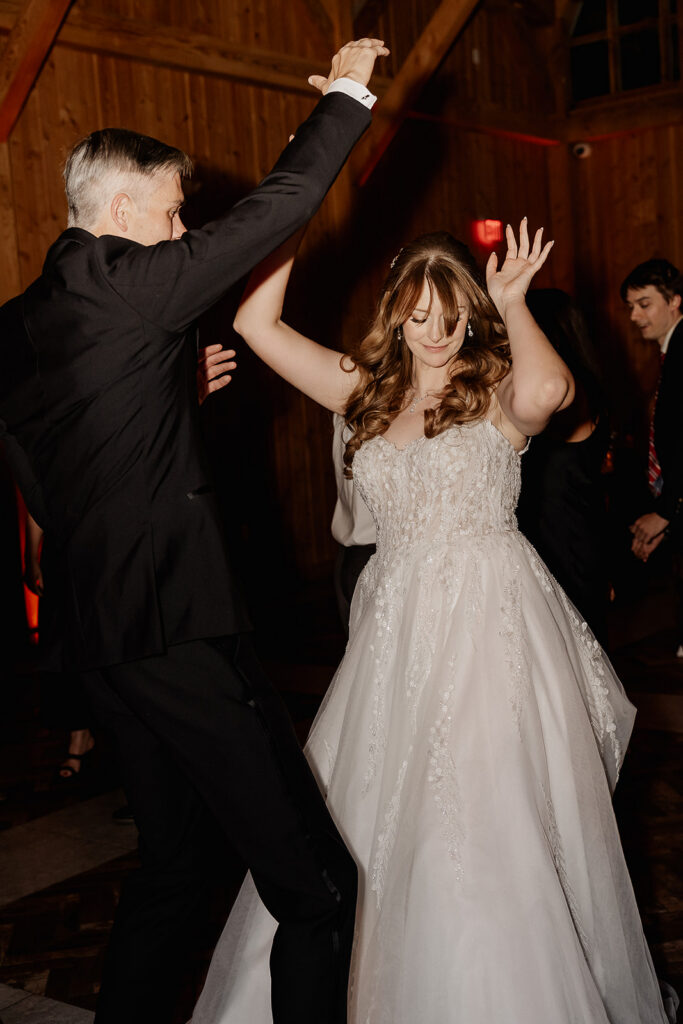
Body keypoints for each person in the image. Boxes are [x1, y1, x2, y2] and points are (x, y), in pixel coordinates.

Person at [0, 38, 389, 1024]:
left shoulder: (24, 319)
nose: (181, 230)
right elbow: (278, 207)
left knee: (175, 867)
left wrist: (170, 396)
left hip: (99, 637)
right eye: (172, 212)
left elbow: (53, 469)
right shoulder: (126, 282)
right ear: (121, 209)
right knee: (317, 884)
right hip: (175, 624)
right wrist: (347, 92)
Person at [191, 223, 670, 1023]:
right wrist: (293, 218)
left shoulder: (492, 390)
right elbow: (254, 324)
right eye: (418, 316)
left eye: (450, 315)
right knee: (369, 816)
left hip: (489, 628)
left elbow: (550, 394)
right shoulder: (363, 390)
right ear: (394, 315)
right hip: (394, 635)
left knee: (488, 816)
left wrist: (511, 302)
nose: (436, 331)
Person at [517, 288, 610, 641]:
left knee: (575, 641)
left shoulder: (564, 392)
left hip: (564, 538)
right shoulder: (584, 381)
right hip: (571, 528)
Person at [622, 260, 683, 653]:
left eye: (644, 304)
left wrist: (666, 511)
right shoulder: (668, 352)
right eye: (631, 306)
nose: (634, 316)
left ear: (674, 301)